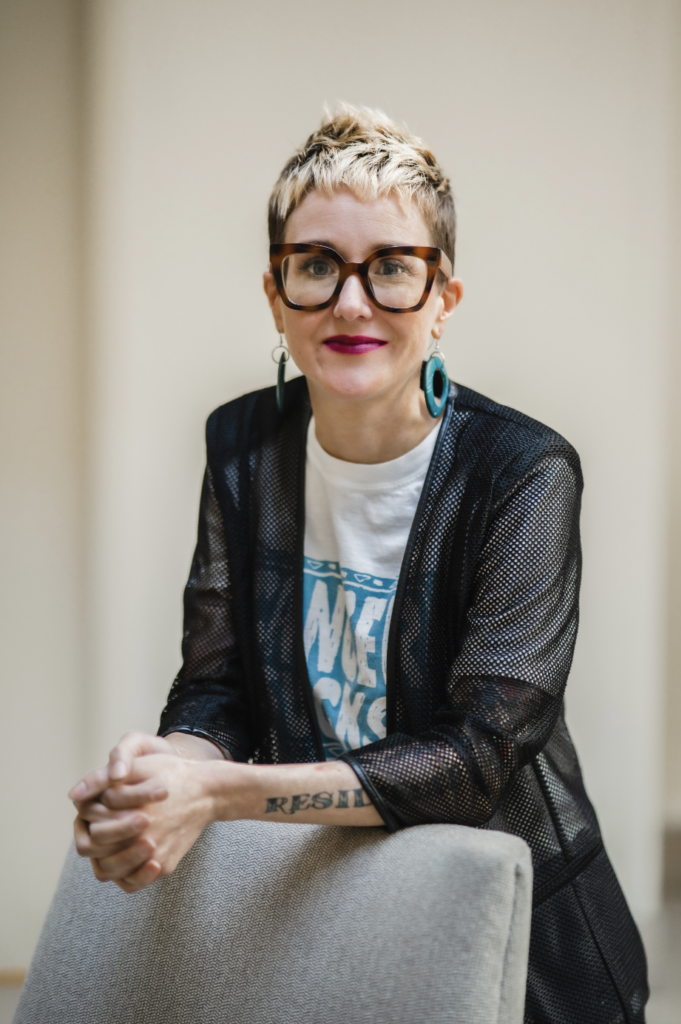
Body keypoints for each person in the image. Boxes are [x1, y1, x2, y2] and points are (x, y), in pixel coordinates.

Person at [70, 105, 648, 1023]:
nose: (350, 302)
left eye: (390, 268)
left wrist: (220, 794)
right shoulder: (242, 446)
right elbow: (217, 686)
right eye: (315, 267)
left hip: (524, 933)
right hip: (333, 899)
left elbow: (476, 760)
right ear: (275, 294)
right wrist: (163, 775)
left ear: (442, 299)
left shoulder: (524, 473)